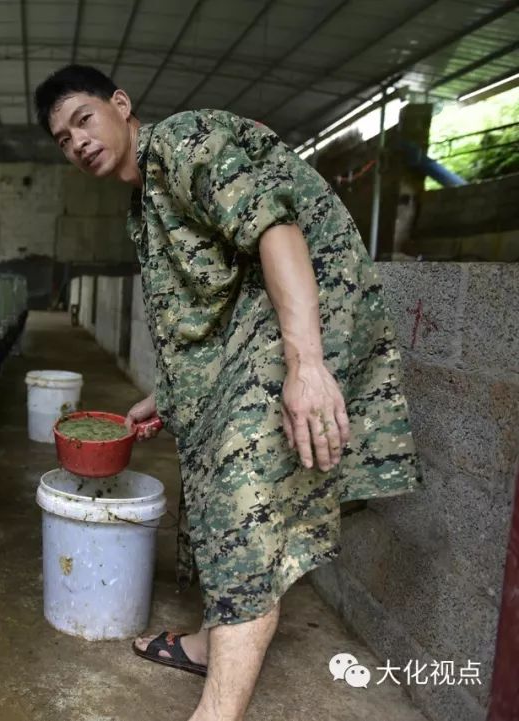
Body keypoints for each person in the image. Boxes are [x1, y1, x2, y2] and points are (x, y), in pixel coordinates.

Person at [33, 65, 420, 721]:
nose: (78, 142)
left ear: (120, 106)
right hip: (257, 330)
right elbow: (207, 300)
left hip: (303, 317)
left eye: (83, 119)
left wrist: (305, 364)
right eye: (63, 139)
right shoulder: (145, 201)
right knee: (212, 479)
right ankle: (214, 640)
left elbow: (276, 231)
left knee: (244, 496)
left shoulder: (185, 142)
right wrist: (169, 393)